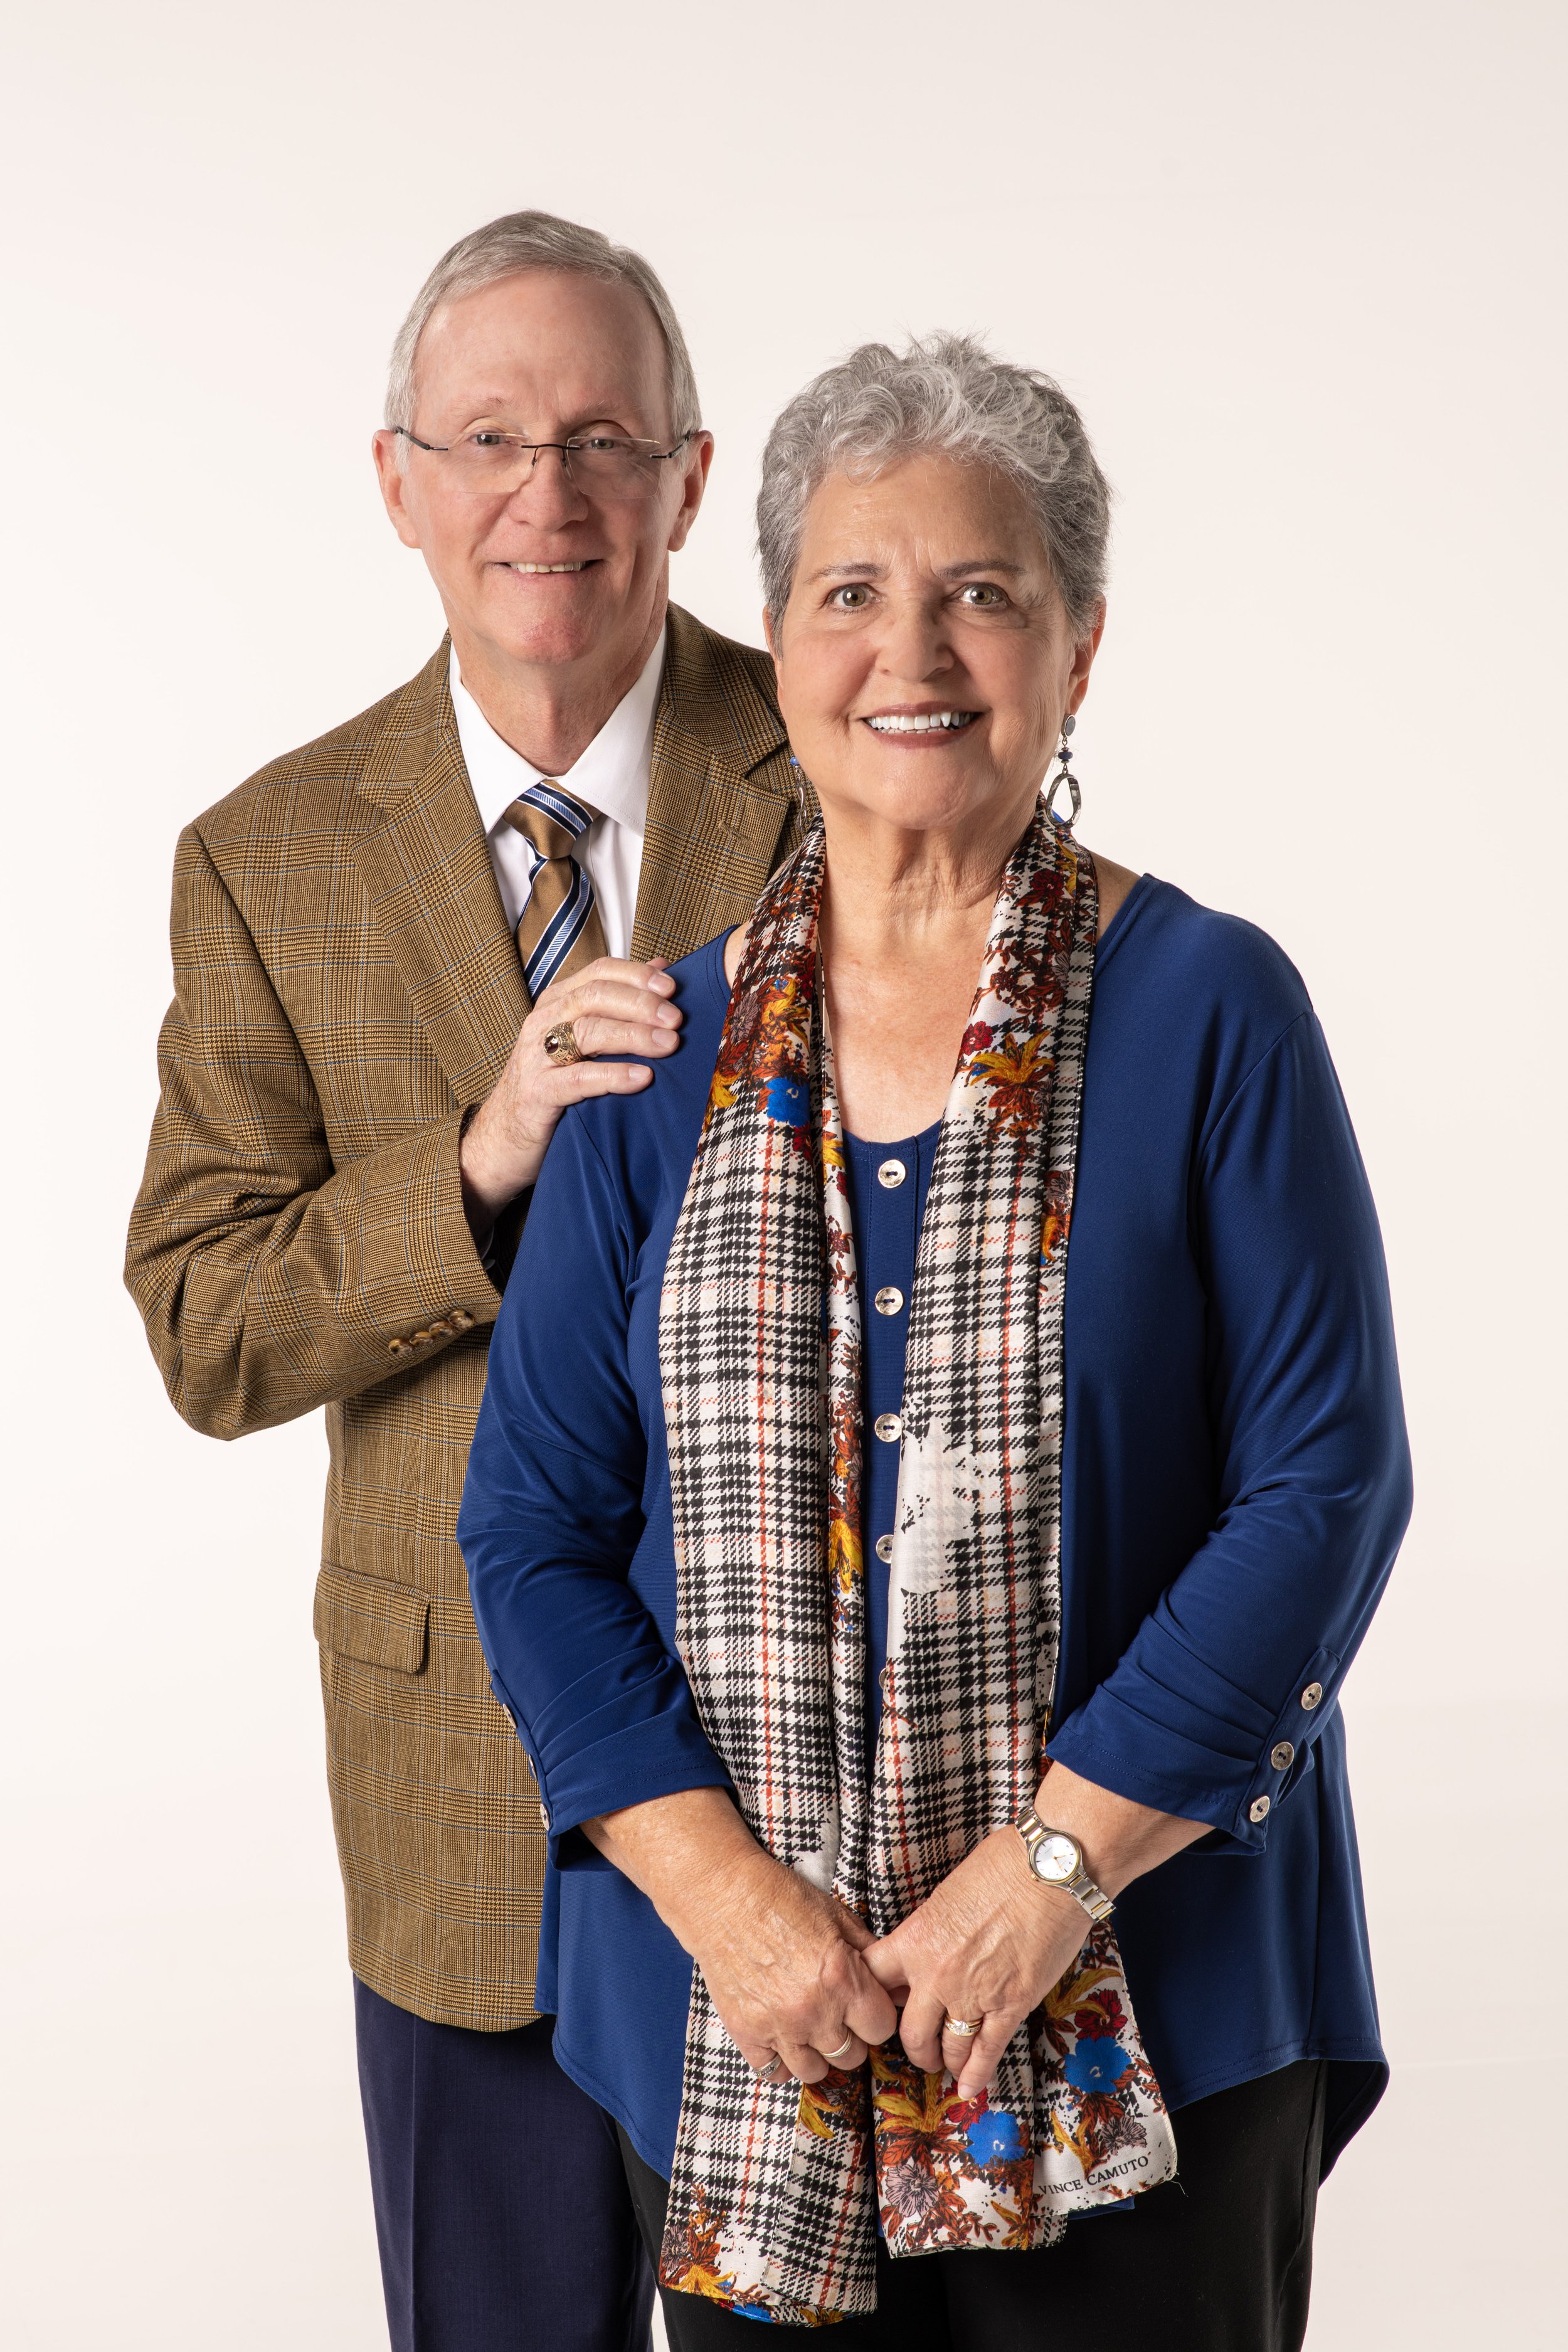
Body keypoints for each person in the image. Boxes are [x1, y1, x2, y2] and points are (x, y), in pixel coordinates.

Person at [456, 334, 1413, 2349]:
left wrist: (1049, 1870)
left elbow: (1324, 1486)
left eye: (984, 590)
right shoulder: (653, 1055)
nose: (918, 647)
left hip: (1145, 2004)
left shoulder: (1211, 1007)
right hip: (742, 2033)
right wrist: (727, 1902)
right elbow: (530, 1529)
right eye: (853, 591)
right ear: (781, 641)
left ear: (1078, 646)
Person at [124, 210, 813, 2352]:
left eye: (603, 439)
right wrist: (480, 1166)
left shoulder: (850, 761)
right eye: (490, 438)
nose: (548, 495)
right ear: (397, 480)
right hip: (461, 1800)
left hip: (813, 1767)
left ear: (690, 482)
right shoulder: (269, 857)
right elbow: (208, 1323)